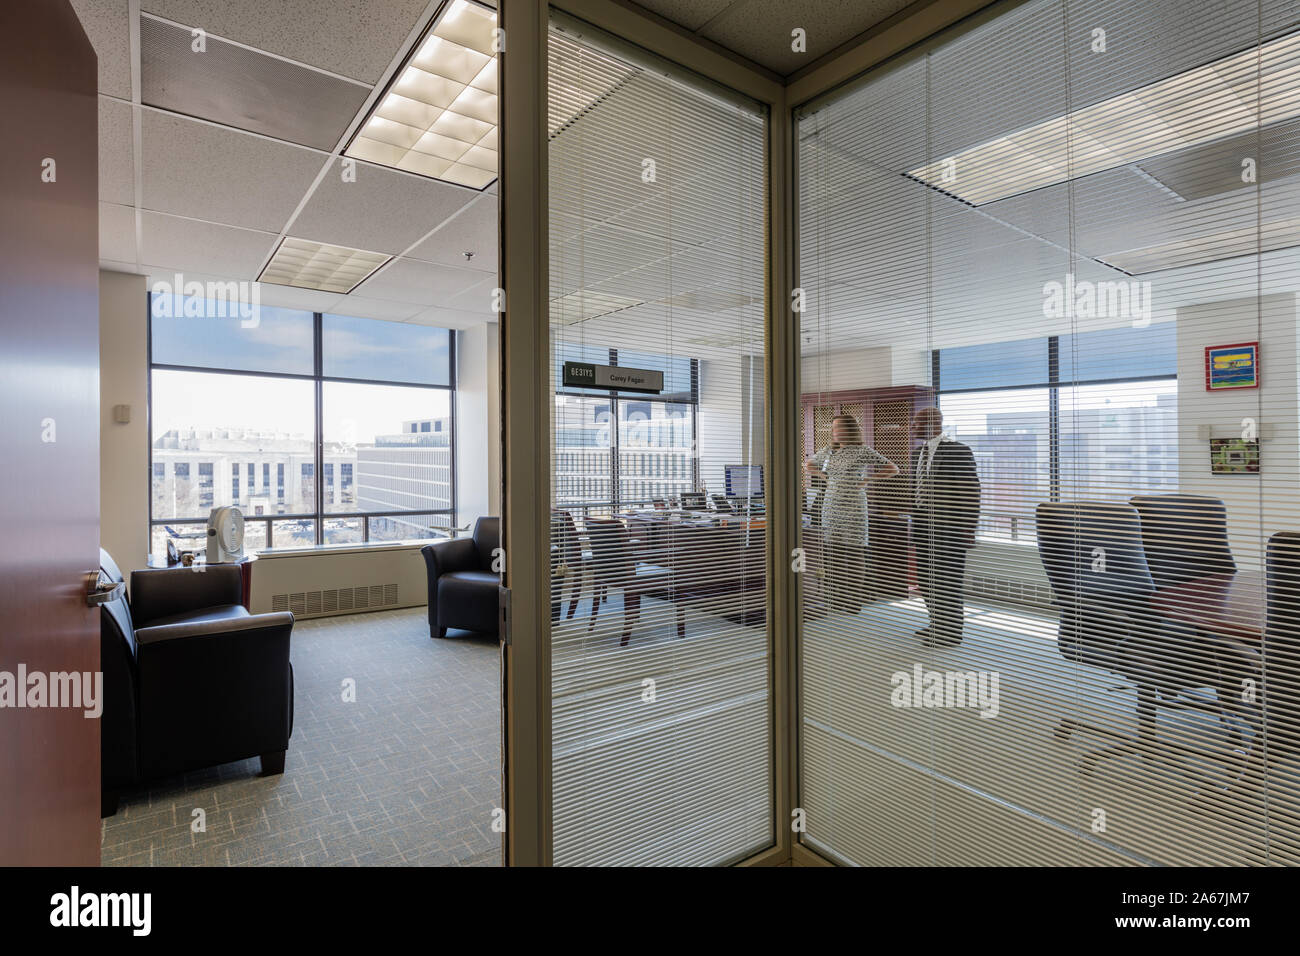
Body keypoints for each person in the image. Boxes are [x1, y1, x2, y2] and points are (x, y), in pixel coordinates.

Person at [805, 414, 898, 612]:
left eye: (839, 427)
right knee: (835, 552)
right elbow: (808, 465)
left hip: (854, 506)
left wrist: (865, 481)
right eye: (833, 428)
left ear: (850, 430)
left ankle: (854, 598)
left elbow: (892, 468)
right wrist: (824, 476)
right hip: (831, 505)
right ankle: (839, 596)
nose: (835, 431)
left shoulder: (862, 451)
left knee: (855, 552)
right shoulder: (829, 451)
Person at [908, 407, 981, 646]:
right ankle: (937, 625)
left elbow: (970, 491)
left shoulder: (958, 451)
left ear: (932, 423)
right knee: (927, 580)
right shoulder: (918, 452)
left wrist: (969, 529)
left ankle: (950, 634)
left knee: (947, 581)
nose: (912, 426)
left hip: (949, 529)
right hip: (923, 527)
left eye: (916, 422)